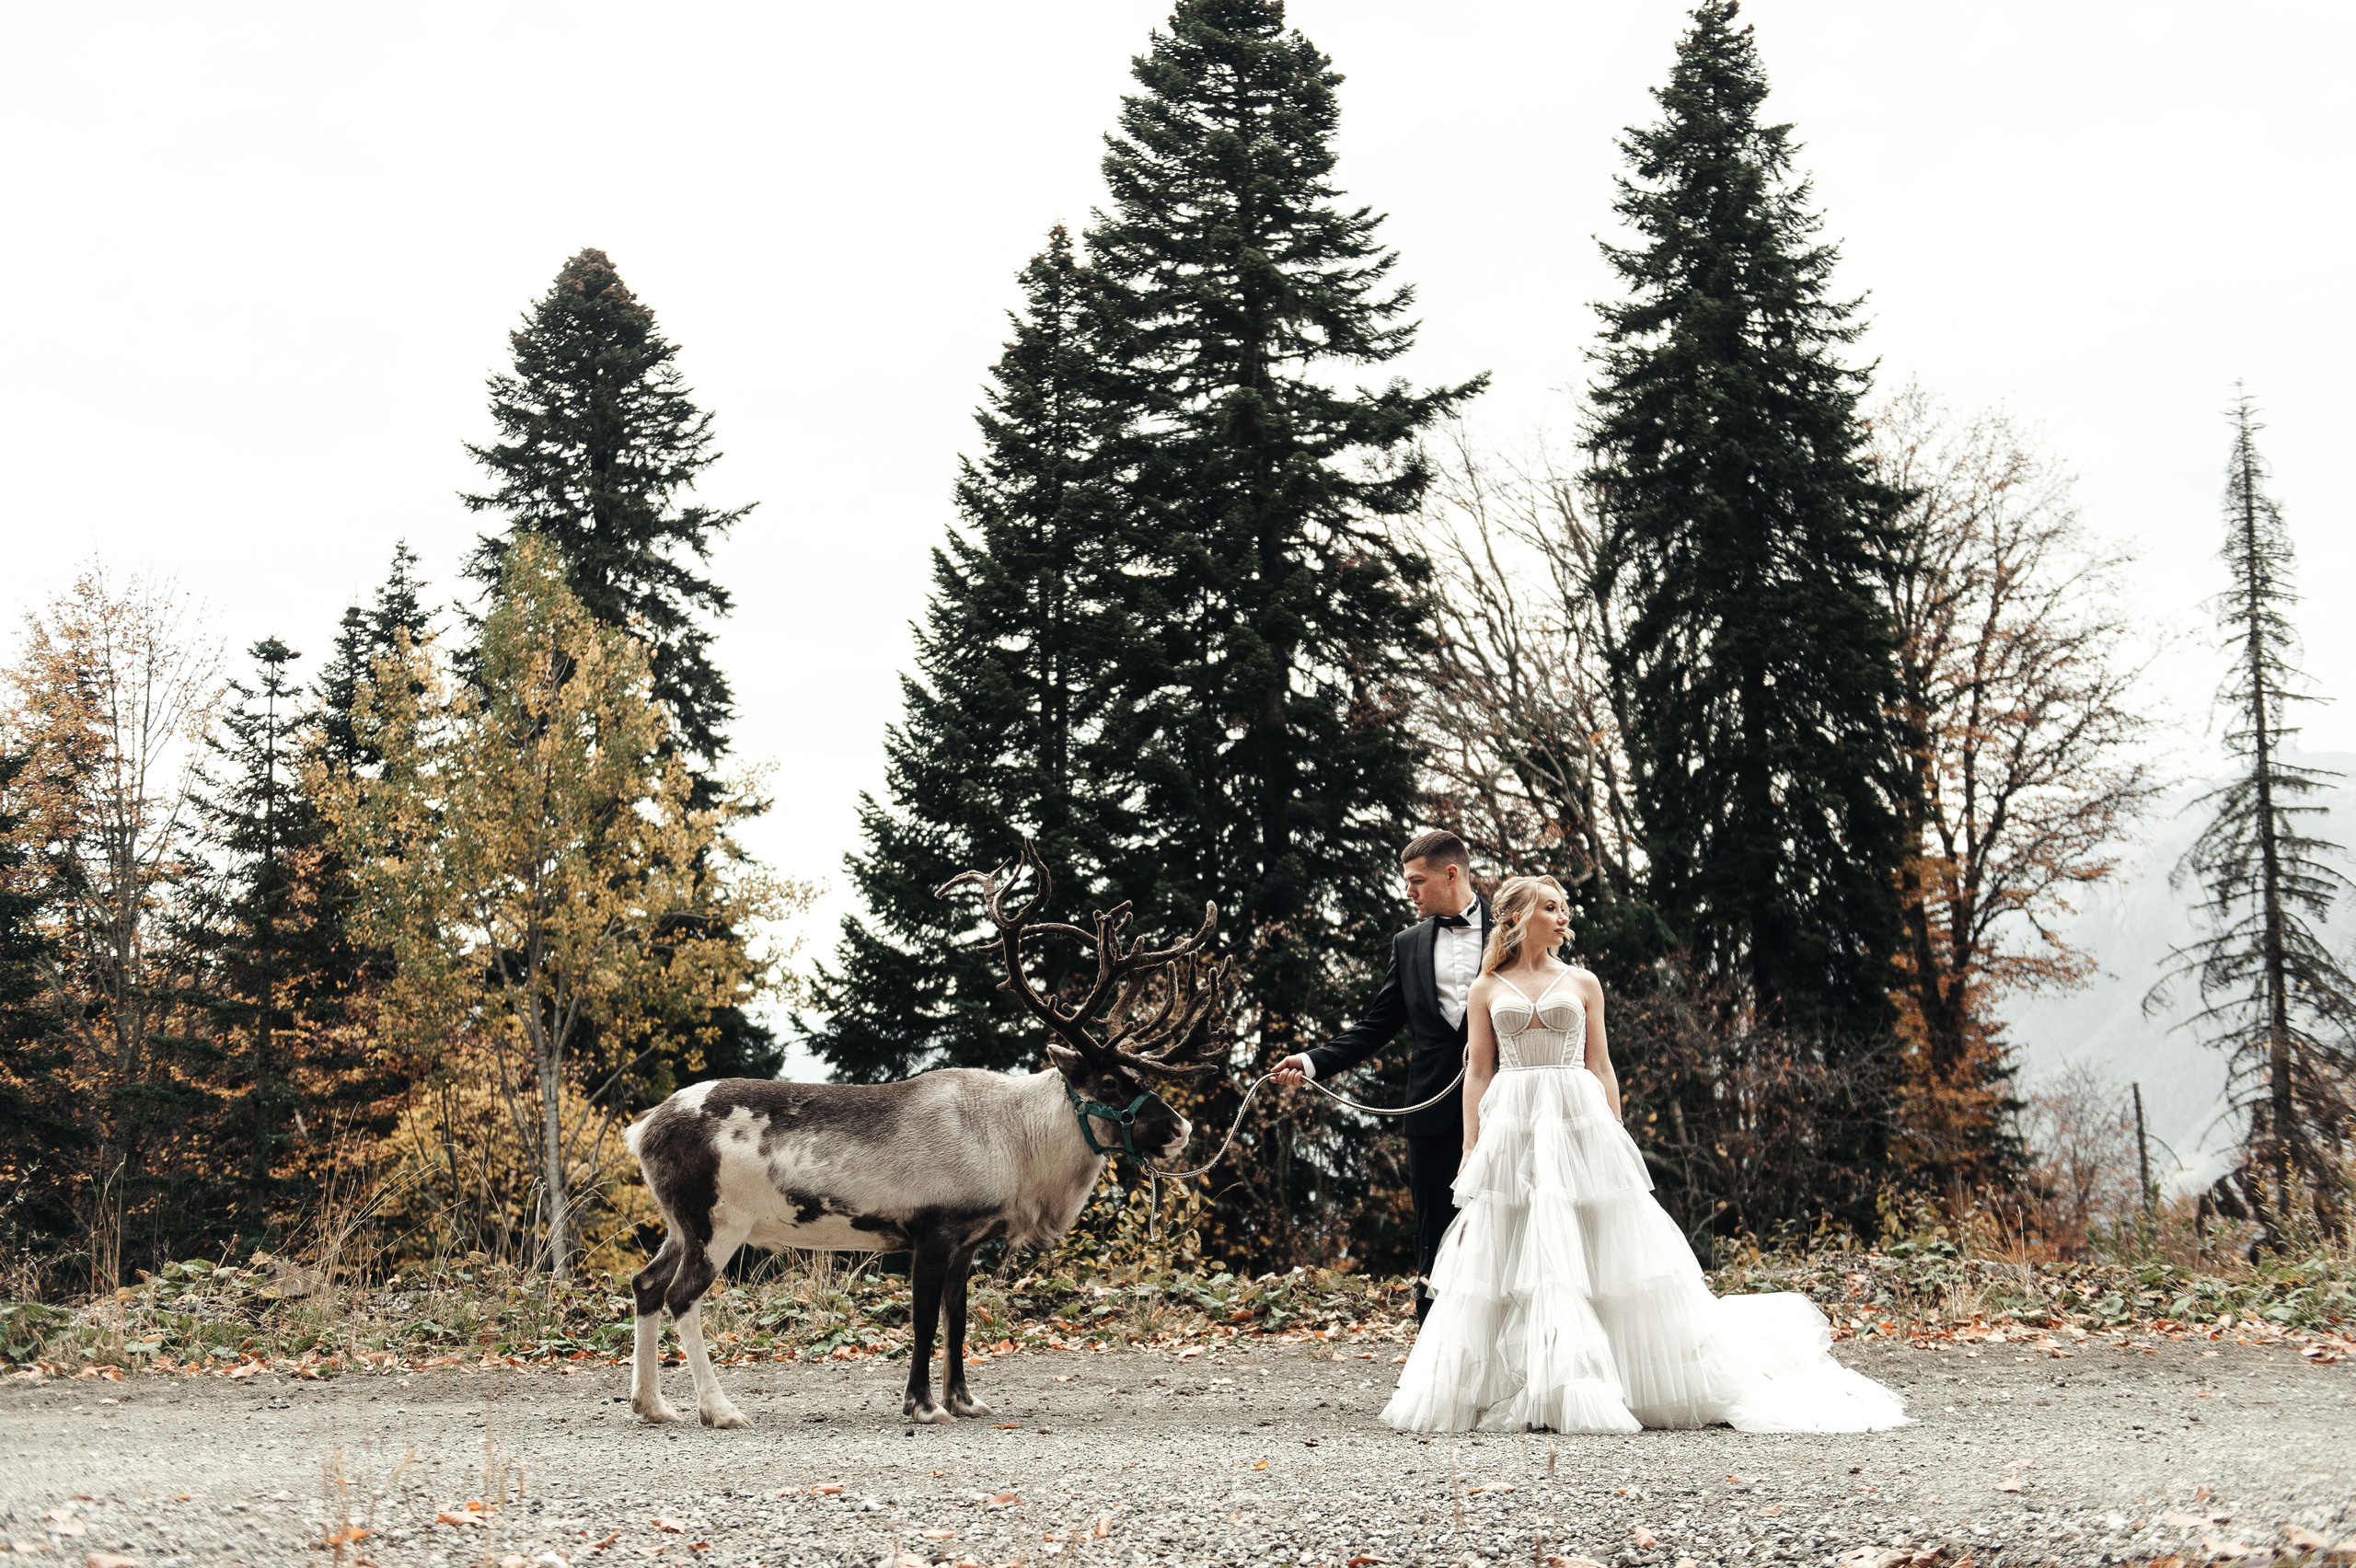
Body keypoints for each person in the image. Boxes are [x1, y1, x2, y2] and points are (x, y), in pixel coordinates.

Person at [1379, 874, 1911, 1433]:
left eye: (1566, 909)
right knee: (1513, 1244)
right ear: (1519, 916)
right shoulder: (1486, 988)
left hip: (1575, 1112)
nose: (1565, 918)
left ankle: (1599, 1379)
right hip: (1513, 1120)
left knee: (1594, 1238)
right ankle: (1526, 1381)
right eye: (1552, 908)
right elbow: (1480, 1073)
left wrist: (1614, 1132)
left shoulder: (1583, 982)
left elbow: (1601, 1064)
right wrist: (1471, 1145)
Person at [1272, 830, 1487, 1324]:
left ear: (1450, 874)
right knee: (1435, 1229)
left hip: (1507, 1102)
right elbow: (1376, 1027)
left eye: (1416, 881)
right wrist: (1310, 1062)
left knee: (1512, 1220)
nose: (1408, 892)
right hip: (1429, 1108)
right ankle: (1435, 1345)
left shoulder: (1512, 929)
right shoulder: (1407, 944)